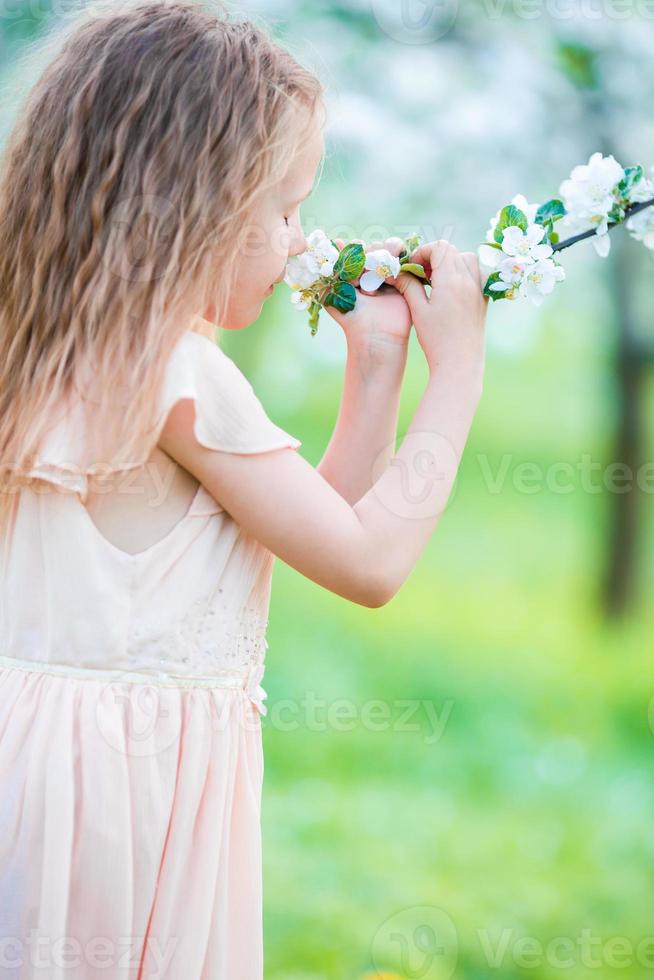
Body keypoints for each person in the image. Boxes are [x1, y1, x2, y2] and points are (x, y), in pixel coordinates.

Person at [0, 1, 488, 977]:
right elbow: (369, 561)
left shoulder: (66, 352)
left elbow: (302, 532)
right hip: (122, 805)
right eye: (283, 210)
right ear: (195, 205)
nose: (300, 239)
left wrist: (378, 369)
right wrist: (460, 369)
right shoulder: (182, 376)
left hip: (49, 775)